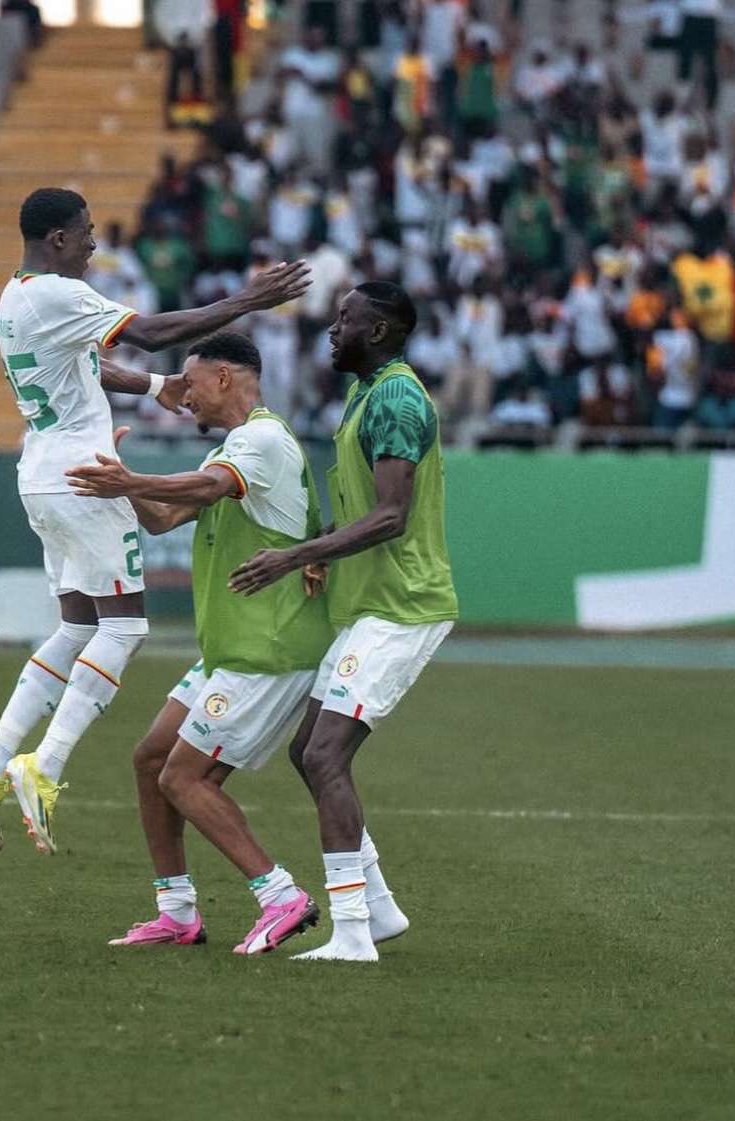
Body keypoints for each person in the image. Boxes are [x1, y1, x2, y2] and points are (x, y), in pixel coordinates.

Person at [0, 186, 310, 856]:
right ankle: (46, 765)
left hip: (42, 469)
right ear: (57, 239)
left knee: (79, 624)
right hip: (82, 472)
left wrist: (153, 387)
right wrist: (245, 301)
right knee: (125, 625)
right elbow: (147, 332)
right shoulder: (58, 292)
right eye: (85, 233)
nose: (93, 243)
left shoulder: (15, 296)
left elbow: (87, 364)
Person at [66, 332, 332, 954]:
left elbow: (208, 488)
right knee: (151, 761)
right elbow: (163, 516)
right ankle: (177, 912)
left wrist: (131, 478)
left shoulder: (260, 441)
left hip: (268, 650)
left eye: (188, 385)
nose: (182, 399)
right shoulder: (236, 452)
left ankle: (281, 896)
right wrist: (121, 481)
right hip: (231, 651)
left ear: (222, 378)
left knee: (185, 779)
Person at [229, 282, 458, 962]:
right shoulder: (368, 393)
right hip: (370, 605)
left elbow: (391, 515)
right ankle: (378, 910)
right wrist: (325, 550)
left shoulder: (395, 397)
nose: (331, 329)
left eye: (344, 319)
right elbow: (368, 506)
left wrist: (297, 552)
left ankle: (352, 931)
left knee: (325, 753)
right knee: (309, 752)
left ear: (380, 330)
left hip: (402, 604)